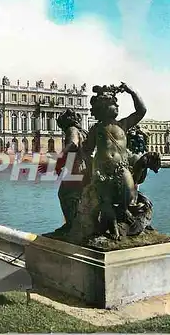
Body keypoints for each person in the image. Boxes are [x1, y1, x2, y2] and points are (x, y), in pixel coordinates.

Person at [82, 82, 147, 240]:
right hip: (102, 169)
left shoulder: (123, 124)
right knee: (105, 200)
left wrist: (132, 91)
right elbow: (87, 150)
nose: (116, 106)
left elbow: (141, 110)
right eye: (112, 104)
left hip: (121, 167)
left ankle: (125, 213)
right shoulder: (96, 129)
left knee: (130, 192)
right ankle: (112, 228)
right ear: (101, 108)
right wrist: (92, 167)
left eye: (117, 104)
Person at [38, 109, 89, 233]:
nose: (61, 128)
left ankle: (71, 225)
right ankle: (79, 224)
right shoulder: (84, 132)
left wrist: (56, 162)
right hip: (85, 168)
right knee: (78, 197)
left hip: (76, 169)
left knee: (64, 194)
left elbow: (73, 145)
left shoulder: (71, 130)